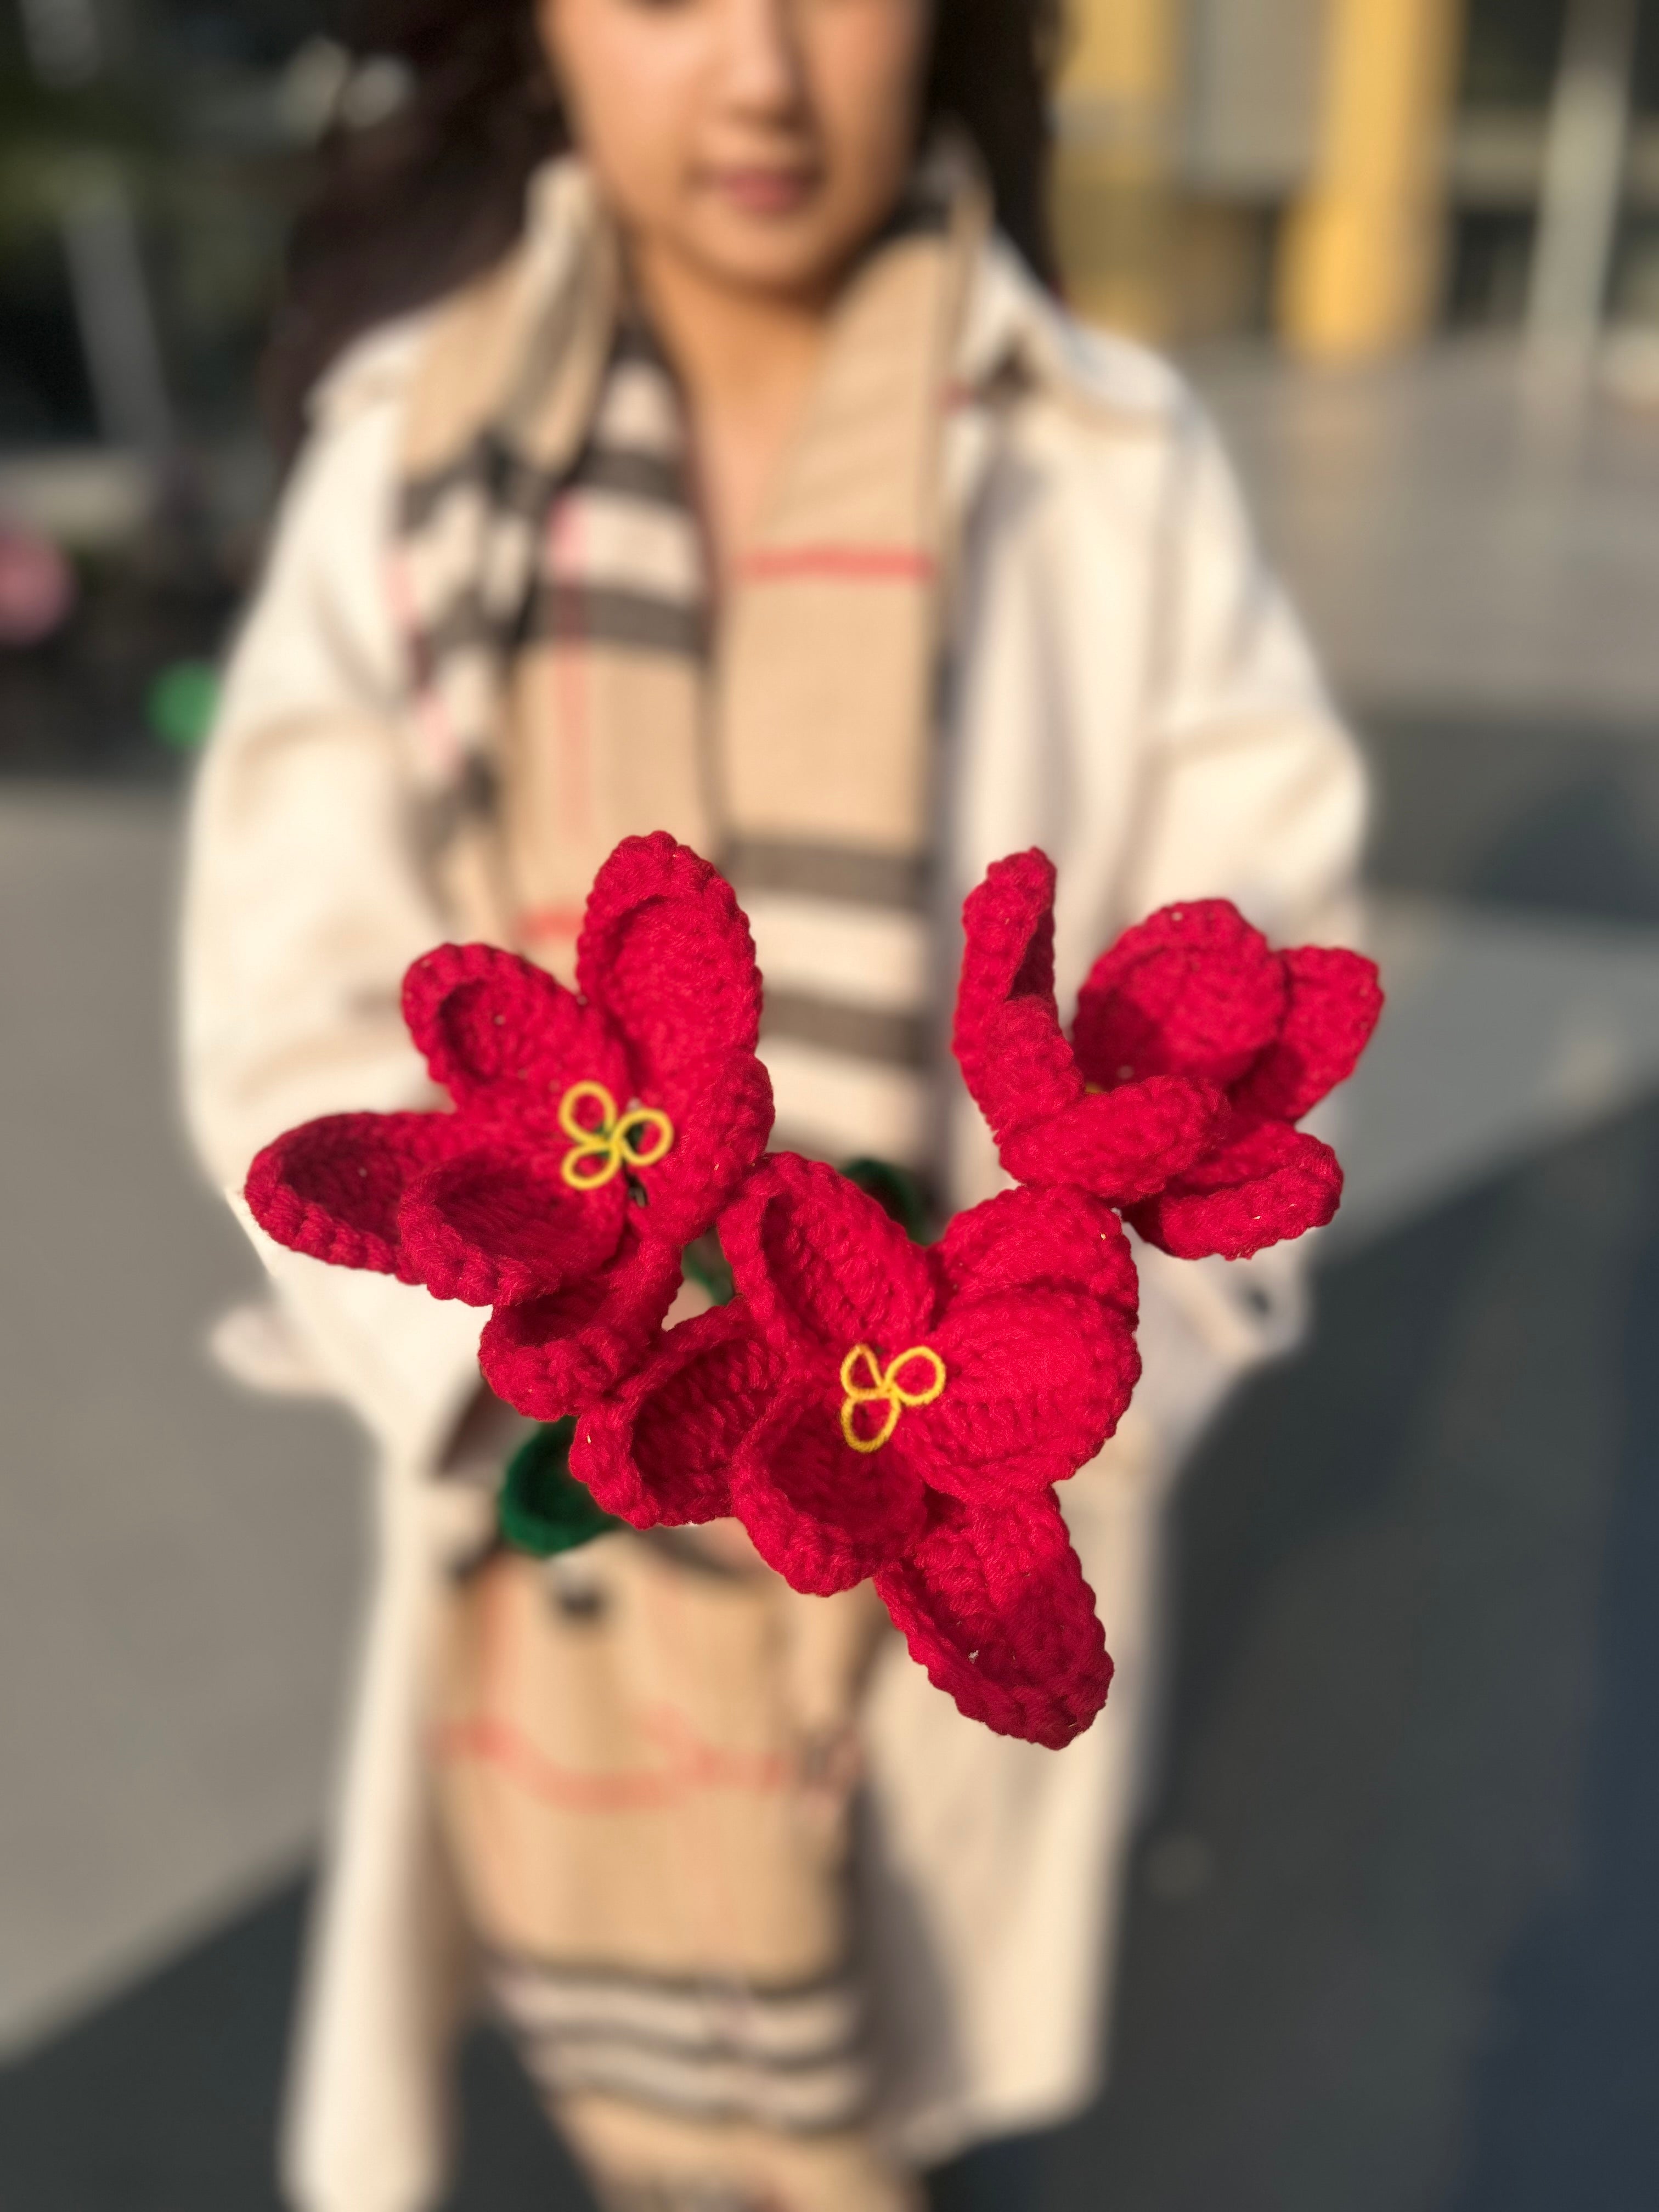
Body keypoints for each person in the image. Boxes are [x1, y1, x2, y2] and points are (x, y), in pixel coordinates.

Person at [182, 2, 1367, 2207]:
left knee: (891, 2100)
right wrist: (560, 1381)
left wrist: (1093, 1371)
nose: (758, 71)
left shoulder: (1107, 453)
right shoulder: (411, 452)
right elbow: (288, 991)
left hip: (963, 1490)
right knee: (637, 2082)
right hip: (577, 1587)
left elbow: (1263, 931)